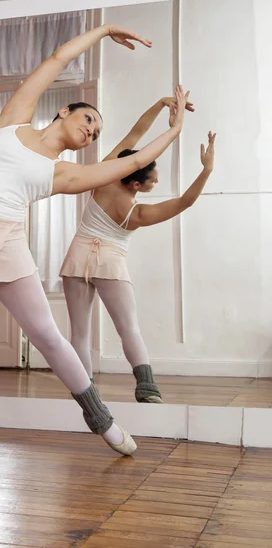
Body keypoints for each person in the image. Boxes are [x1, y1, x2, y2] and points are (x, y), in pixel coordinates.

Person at [0, 22, 186, 473]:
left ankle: (102, 421)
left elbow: (135, 161)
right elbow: (59, 57)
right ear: (64, 112)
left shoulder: (63, 174)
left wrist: (174, 131)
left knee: (46, 336)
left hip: (4, 240)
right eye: (88, 120)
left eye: (97, 132)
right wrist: (104, 31)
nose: (91, 131)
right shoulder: (11, 121)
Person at [61, 101, 215, 403]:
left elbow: (136, 133)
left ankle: (85, 394)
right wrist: (207, 169)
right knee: (128, 328)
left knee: (79, 334)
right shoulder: (136, 213)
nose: (156, 182)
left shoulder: (103, 174)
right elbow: (184, 201)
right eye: (153, 180)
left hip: (76, 259)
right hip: (109, 265)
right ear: (135, 184)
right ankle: (147, 388)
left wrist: (160, 104)